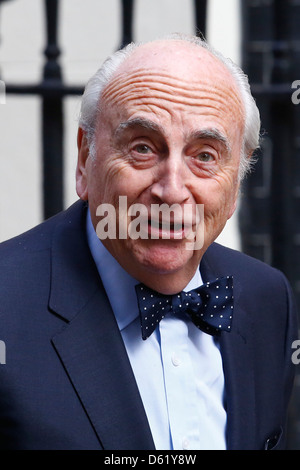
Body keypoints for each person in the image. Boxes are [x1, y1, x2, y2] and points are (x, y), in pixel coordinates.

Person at [0, 34, 297, 451]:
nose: (173, 190)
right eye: (142, 148)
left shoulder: (267, 300)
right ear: (86, 160)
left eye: (205, 156)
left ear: (235, 188)